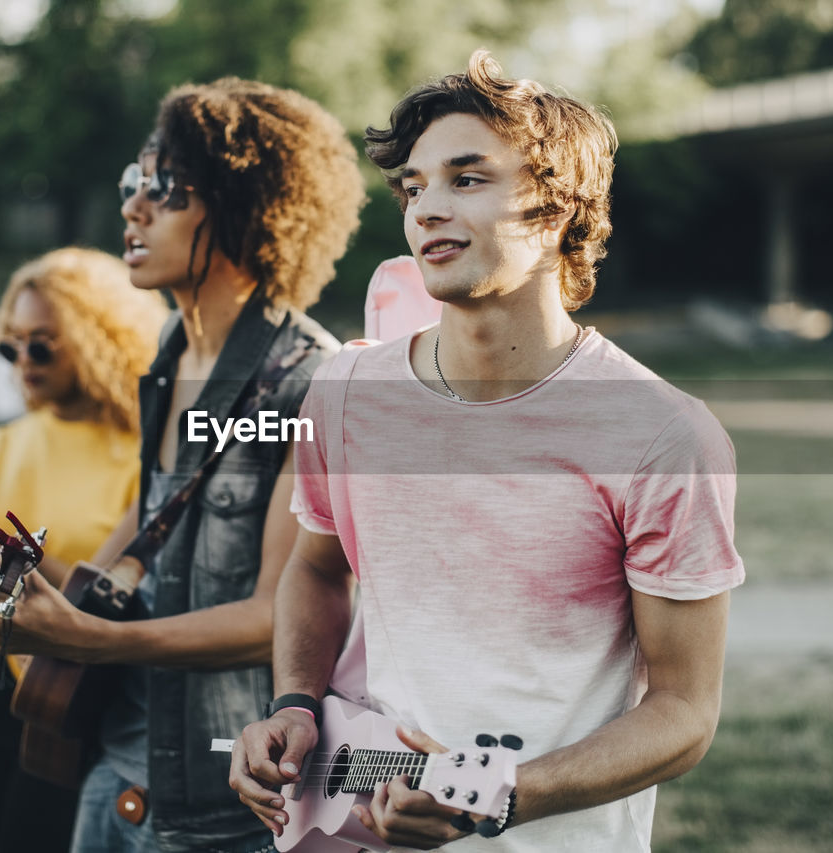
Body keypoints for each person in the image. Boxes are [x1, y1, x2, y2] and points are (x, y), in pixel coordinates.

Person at [229, 51, 745, 852]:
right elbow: (317, 567)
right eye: (414, 186)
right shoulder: (346, 390)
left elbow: (683, 713)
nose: (427, 206)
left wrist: (500, 798)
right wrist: (294, 704)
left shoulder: (662, 435)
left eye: (467, 179)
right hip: (352, 834)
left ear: (557, 210)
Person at [0, 77, 365, 853]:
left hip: (225, 798)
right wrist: (36, 599)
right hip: (116, 759)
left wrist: (88, 638)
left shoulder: (314, 382)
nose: (133, 208)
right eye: (131, 184)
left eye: (164, 189)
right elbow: (148, 517)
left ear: (250, 205)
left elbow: (279, 614)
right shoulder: (169, 359)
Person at [0, 247, 168, 853]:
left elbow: (134, 600)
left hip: (79, 702)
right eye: (9, 345)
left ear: (101, 338)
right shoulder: (4, 442)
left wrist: (25, 563)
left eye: (42, 344)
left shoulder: (149, 454)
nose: (22, 360)